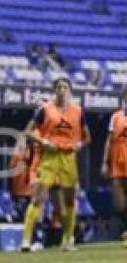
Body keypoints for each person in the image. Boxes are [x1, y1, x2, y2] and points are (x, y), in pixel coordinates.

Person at [21, 77, 91, 252]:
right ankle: (26, 241)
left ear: (70, 90)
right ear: (54, 90)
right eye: (58, 87)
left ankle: (68, 240)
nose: (62, 90)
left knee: (68, 201)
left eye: (65, 87)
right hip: (49, 158)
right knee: (38, 197)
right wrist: (44, 141)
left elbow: (87, 137)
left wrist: (79, 145)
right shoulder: (45, 109)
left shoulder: (78, 111)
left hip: (68, 158)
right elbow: (28, 131)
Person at [101, 87, 127, 247]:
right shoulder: (116, 117)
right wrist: (105, 162)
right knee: (119, 202)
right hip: (118, 161)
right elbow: (109, 140)